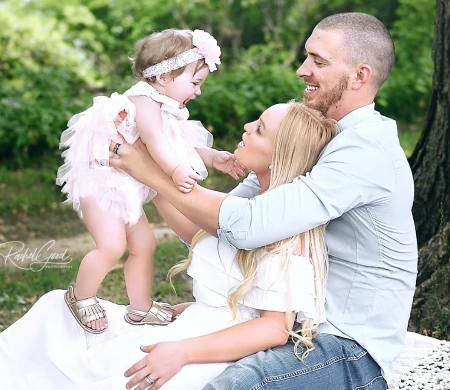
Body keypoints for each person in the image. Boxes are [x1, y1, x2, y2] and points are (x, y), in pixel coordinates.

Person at [109, 12, 418, 389]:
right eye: (306, 57)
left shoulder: (364, 150)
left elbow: (246, 226)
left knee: (231, 384)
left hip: (343, 343)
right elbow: (218, 224)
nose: (302, 70)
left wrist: (151, 173)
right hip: (290, 325)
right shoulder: (304, 138)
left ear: (359, 76)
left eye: (318, 61)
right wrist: (151, 169)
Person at [0, 102, 337, 390]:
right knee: (56, 311)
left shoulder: (288, 226)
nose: (247, 127)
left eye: (260, 129)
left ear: (280, 156)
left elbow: (274, 327)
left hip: (203, 349)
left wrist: (183, 350)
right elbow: (201, 235)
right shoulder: (252, 205)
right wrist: (145, 162)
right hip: (196, 326)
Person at [55, 28, 241, 334]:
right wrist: (177, 169)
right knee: (112, 246)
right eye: (195, 83)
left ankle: (140, 308)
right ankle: (80, 295)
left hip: (124, 186)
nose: (198, 92)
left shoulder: (163, 105)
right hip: (102, 183)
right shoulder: (143, 99)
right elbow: (154, 139)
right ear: (165, 77)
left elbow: (173, 141)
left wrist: (211, 156)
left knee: (145, 244)